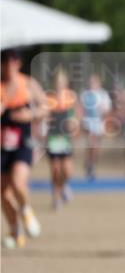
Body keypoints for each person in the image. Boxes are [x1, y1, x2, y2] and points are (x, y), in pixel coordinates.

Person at [1, 49, 48, 249]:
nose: (10, 64)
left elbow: (46, 106)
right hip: (2, 144)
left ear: (18, 63)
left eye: (13, 60)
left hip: (22, 142)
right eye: (5, 60)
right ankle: (14, 231)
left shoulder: (27, 84)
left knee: (19, 183)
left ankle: (26, 211)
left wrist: (31, 114)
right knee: (3, 194)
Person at [44, 67, 80, 209]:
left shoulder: (71, 98)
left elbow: (76, 117)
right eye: (57, 81)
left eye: (62, 82)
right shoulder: (49, 98)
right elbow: (44, 117)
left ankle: (64, 186)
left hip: (65, 139)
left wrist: (74, 125)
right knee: (55, 169)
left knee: (66, 170)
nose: (60, 84)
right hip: (53, 139)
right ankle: (56, 197)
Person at [80, 73, 112, 181]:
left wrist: (104, 116)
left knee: (96, 148)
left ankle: (91, 163)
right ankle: (89, 164)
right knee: (91, 144)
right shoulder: (85, 94)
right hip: (88, 122)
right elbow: (81, 110)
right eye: (91, 81)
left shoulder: (103, 94)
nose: (92, 84)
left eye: (94, 81)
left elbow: (107, 110)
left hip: (99, 124)